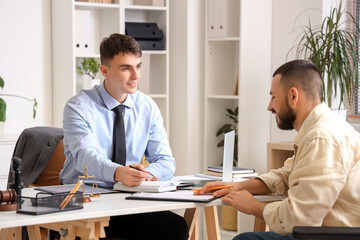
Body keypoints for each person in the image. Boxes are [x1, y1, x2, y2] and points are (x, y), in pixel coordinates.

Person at [197, 60, 360, 240]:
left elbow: (301, 219)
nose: (269, 106)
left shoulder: (321, 138)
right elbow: (285, 175)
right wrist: (238, 186)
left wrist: (254, 207)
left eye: (273, 96)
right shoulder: (320, 129)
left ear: (293, 96)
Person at [59, 33, 189, 240]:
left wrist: (145, 174)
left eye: (138, 66)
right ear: (105, 71)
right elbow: (84, 157)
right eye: (126, 68)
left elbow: (165, 160)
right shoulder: (79, 106)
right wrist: (118, 173)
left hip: (128, 199)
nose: (135, 75)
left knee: (175, 226)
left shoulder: (147, 107)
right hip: (85, 201)